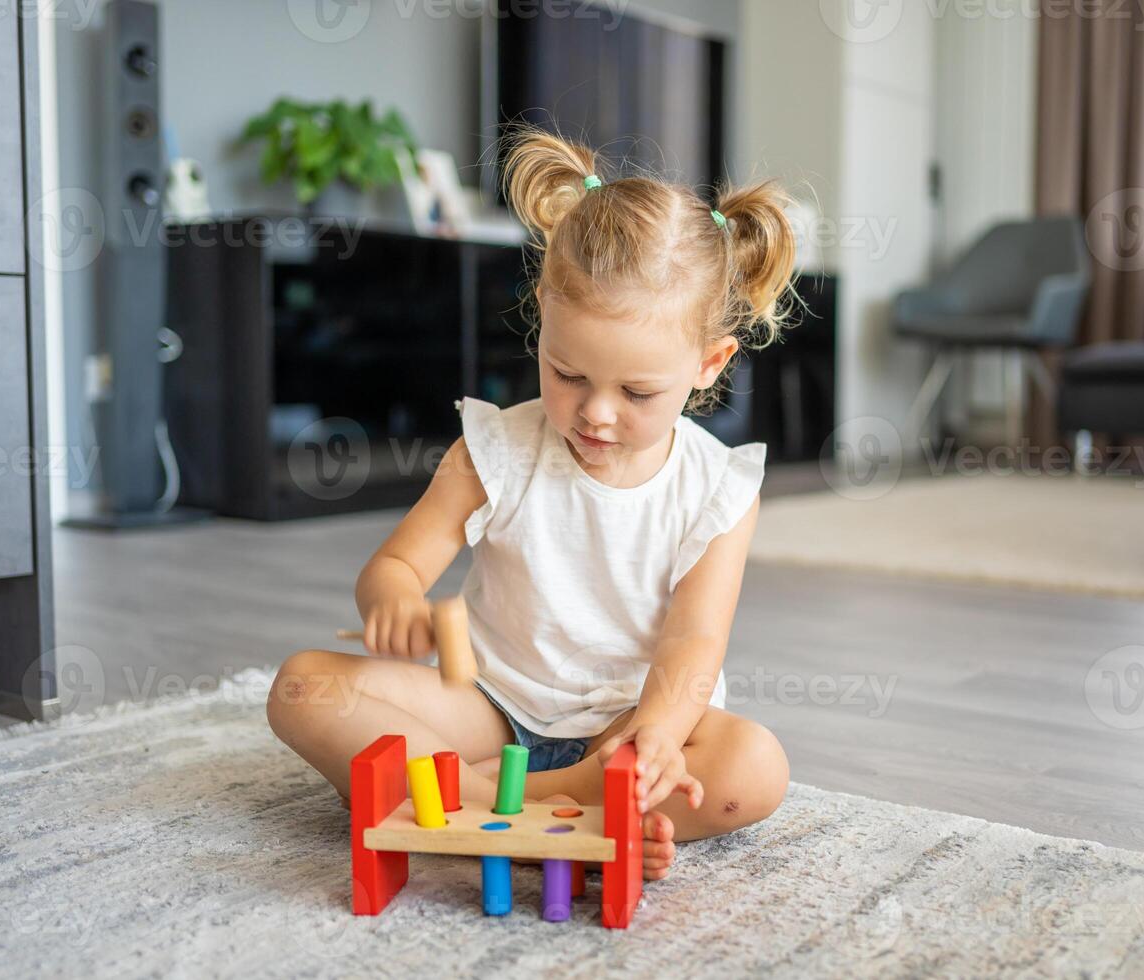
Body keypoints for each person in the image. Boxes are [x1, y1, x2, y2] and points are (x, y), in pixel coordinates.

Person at [268, 126, 797, 880]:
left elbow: (694, 646)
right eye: (568, 373)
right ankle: (559, 815)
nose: (596, 414)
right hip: (487, 709)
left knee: (753, 768)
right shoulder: (496, 450)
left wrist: (653, 736)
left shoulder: (718, 489)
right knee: (302, 686)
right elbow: (397, 564)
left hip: (619, 727)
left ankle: (469, 803)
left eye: (637, 392)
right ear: (542, 315)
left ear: (708, 363)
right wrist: (393, 599)